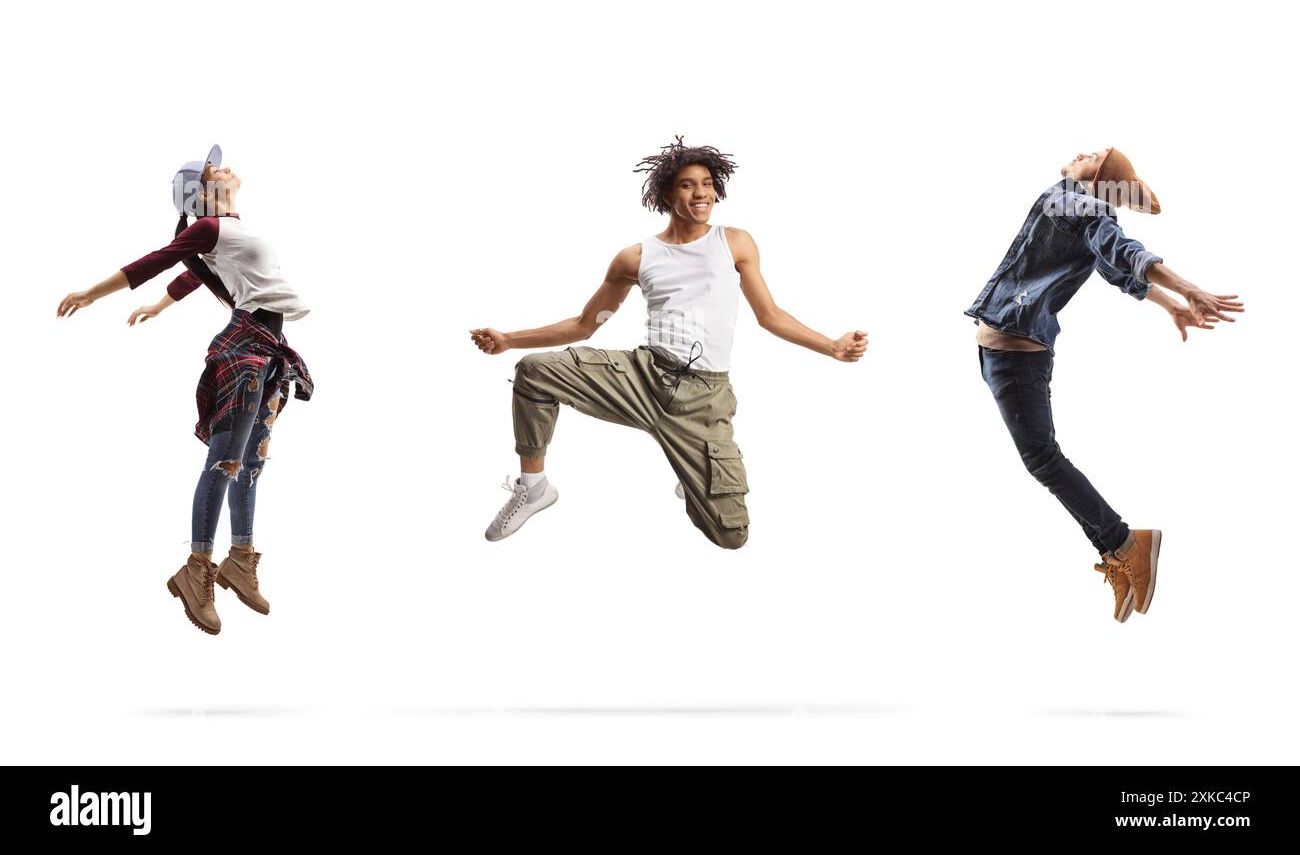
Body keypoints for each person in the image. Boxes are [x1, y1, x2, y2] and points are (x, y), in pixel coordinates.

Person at [470, 136, 868, 549]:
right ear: (666, 193)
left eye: (708, 183)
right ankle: (534, 488)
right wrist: (508, 340)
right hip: (642, 377)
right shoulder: (635, 258)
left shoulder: (735, 243)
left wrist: (832, 346)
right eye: (688, 184)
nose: (702, 193)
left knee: (732, 537)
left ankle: (689, 470)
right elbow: (584, 325)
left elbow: (770, 316)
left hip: (703, 399)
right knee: (535, 372)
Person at [965, 148, 1243, 621]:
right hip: (1003, 353)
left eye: (1093, 156)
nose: (1080, 152)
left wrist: (1186, 288)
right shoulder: (1073, 209)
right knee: (1042, 460)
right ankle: (1119, 551)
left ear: (1101, 183)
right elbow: (1115, 269)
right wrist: (1168, 305)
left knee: (1043, 461)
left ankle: (1126, 544)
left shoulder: (1078, 202)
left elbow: (1125, 253)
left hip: (1015, 357)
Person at [56, 145, 313, 635]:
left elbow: (193, 274)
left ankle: (239, 556)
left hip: (268, 345)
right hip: (245, 347)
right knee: (227, 458)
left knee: (251, 462)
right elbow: (159, 258)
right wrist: (91, 294)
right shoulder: (209, 227)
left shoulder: (227, 231)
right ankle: (196, 569)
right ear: (203, 192)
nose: (227, 165)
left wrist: (160, 305)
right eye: (215, 167)